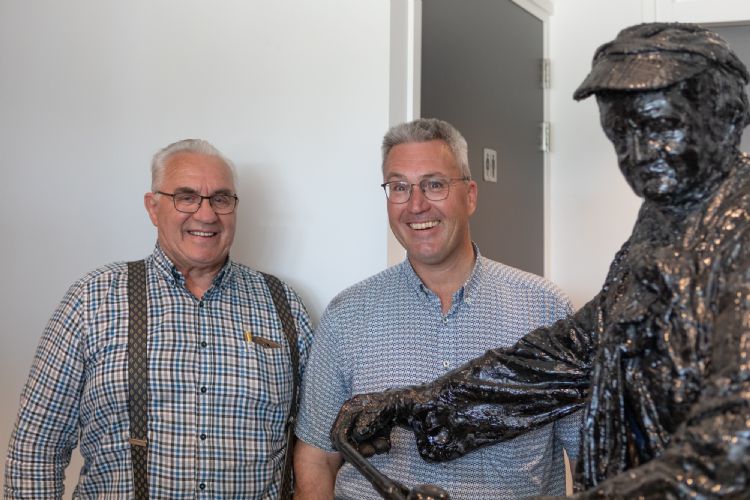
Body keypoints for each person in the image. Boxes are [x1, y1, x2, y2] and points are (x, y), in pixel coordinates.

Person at [332, 23, 750, 498]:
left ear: (727, 116)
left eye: (658, 127)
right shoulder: (669, 217)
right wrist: (415, 404)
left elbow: (735, 446)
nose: (636, 154)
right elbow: (572, 354)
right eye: (619, 132)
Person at [3, 139, 313, 498]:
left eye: (221, 199)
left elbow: (317, 446)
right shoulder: (92, 299)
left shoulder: (283, 303)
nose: (206, 214)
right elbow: (36, 448)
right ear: (153, 207)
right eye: (186, 197)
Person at [294, 118, 580, 499]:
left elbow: (590, 455)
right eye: (399, 187)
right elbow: (317, 456)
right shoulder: (347, 315)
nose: (416, 205)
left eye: (434, 184)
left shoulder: (546, 310)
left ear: (470, 196)